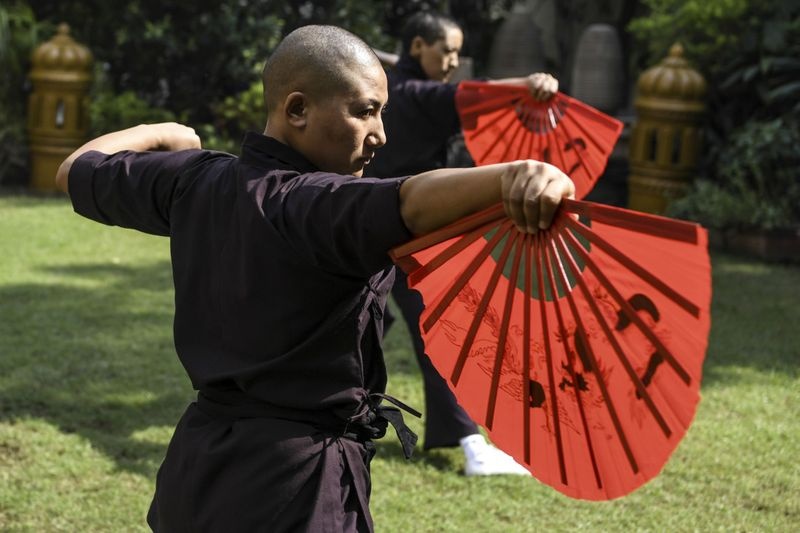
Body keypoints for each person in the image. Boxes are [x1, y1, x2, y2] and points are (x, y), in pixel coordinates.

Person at [55, 25, 574, 532]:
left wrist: (159, 133)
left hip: (198, 470)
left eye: (382, 113)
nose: (381, 134)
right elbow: (410, 200)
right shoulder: (315, 206)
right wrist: (512, 175)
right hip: (294, 489)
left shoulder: (194, 179)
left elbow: (75, 168)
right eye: (364, 111)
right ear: (297, 109)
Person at [368, 11, 560, 477]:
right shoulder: (416, 94)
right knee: (440, 329)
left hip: (370, 221)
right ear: (418, 47)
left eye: (457, 52)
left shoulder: (391, 87)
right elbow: (472, 94)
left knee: (364, 320)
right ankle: (472, 445)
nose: (453, 61)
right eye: (446, 51)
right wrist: (526, 85)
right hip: (406, 230)